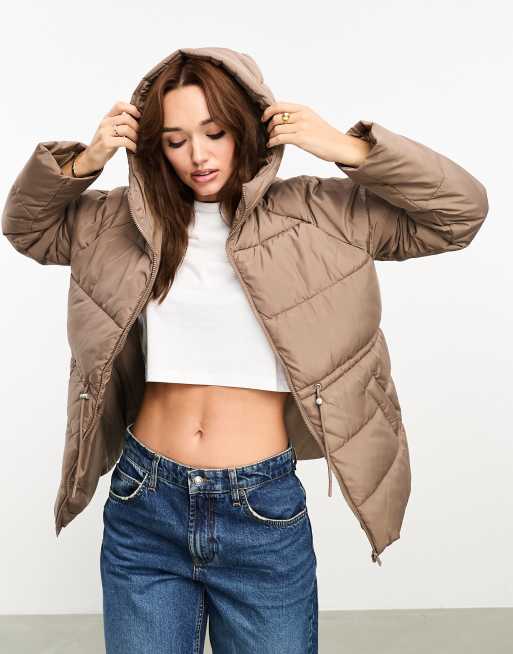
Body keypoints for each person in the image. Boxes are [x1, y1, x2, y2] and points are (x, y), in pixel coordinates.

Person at [1, 46, 488, 653]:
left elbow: (460, 213)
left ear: (248, 128)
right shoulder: (118, 222)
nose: (198, 156)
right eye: (175, 140)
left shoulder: (321, 212)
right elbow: (26, 227)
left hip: (261, 509)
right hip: (144, 502)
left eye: (215, 133)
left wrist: (348, 148)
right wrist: (84, 162)